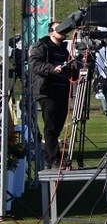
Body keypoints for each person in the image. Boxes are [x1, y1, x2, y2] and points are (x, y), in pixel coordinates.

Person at [29, 20, 79, 169]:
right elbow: (34, 64)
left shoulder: (64, 50)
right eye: (58, 29)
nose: (62, 32)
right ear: (51, 32)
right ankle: (53, 159)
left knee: (58, 125)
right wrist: (51, 69)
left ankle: (51, 156)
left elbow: (71, 69)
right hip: (47, 92)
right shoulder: (42, 46)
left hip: (62, 92)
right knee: (50, 125)